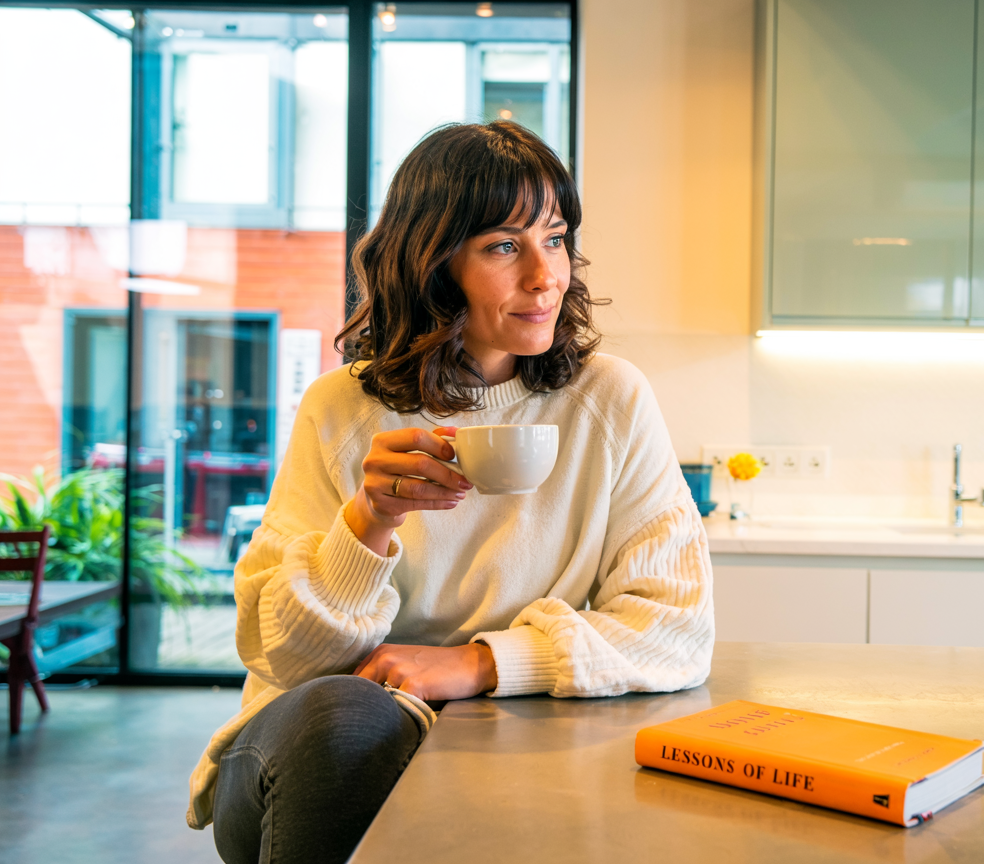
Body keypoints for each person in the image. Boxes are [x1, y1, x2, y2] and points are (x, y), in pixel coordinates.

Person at [188, 121, 714, 864]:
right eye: (504, 246)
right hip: (304, 758)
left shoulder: (612, 401)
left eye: (555, 238)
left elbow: (679, 629)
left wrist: (482, 662)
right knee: (346, 714)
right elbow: (283, 656)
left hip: (512, 744)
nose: (545, 275)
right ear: (434, 264)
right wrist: (367, 525)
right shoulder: (343, 408)